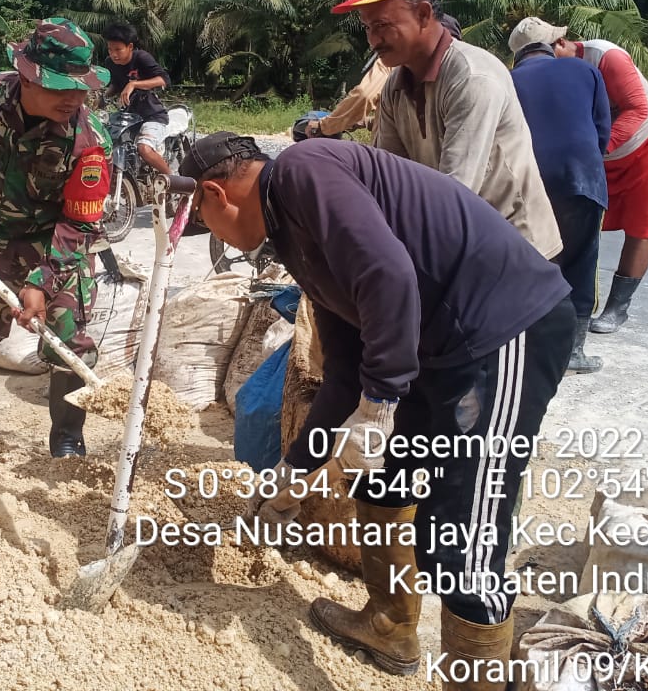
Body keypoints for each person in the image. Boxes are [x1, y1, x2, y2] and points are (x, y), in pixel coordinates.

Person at [179, 132, 573, 690]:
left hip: (503, 332)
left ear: (217, 193)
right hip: (435, 346)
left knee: (462, 537)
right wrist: (295, 468)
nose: (217, 236)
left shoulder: (301, 170)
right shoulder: (292, 229)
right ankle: (390, 626)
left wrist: (382, 400)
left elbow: (388, 275)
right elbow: (345, 366)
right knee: (383, 479)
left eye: (204, 220)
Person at [0, 17, 112, 458]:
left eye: (80, 88)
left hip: (56, 252)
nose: (74, 98)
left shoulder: (88, 140)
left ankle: (67, 440)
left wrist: (41, 280)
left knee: (69, 346)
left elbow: (80, 222)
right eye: (60, 87)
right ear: (27, 76)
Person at [332, 0, 561, 259]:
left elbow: (455, 193)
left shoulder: (472, 76)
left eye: (382, 25)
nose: (373, 40)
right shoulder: (394, 88)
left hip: (516, 249)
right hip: (462, 244)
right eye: (367, 28)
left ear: (423, 14)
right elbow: (387, 179)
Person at [513, 17, 648, 333]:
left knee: (641, 224)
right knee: (577, 218)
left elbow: (638, 110)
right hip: (603, 148)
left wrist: (594, 149)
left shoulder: (606, 57)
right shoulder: (552, 73)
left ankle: (617, 309)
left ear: (561, 44)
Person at [509, 38, 612, 373]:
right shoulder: (586, 70)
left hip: (530, 182)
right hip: (582, 178)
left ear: (518, 56)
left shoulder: (509, 79)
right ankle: (573, 352)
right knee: (582, 260)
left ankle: (526, 348)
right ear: (549, 48)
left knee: (532, 262)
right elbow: (602, 132)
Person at [301, 16, 463, 140]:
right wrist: (366, 122)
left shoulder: (394, 63)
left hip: (395, 167)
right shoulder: (460, 77)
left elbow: (364, 95)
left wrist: (323, 126)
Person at [102, 21, 171, 175]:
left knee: (144, 149)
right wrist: (102, 95)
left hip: (152, 115)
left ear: (130, 47)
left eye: (118, 50)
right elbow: (115, 84)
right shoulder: (110, 63)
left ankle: (172, 181)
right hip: (127, 116)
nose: (113, 54)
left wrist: (134, 84)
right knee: (106, 142)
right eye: (110, 49)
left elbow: (164, 80)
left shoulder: (141, 58)